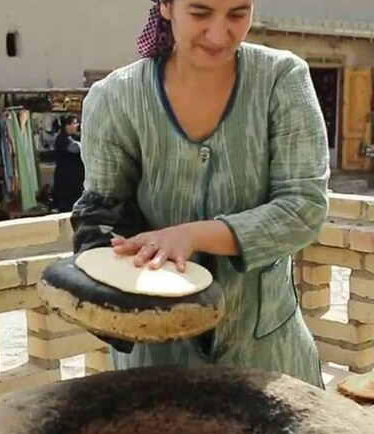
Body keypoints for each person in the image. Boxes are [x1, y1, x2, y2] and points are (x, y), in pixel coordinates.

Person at [70, 0, 330, 388]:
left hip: (268, 357)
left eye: (238, 14)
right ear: (165, 7)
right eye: (201, 13)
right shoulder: (115, 99)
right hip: (156, 363)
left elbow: (303, 209)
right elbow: (104, 211)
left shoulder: (280, 80)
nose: (219, 33)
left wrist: (190, 235)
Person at [52, 115, 85, 212]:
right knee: (67, 205)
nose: (77, 125)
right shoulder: (62, 139)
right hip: (66, 179)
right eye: (74, 123)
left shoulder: (73, 137)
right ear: (67, 125)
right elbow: (75, 148)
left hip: (75, 177)